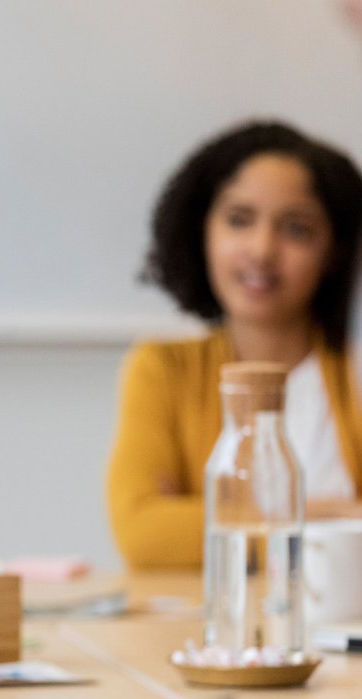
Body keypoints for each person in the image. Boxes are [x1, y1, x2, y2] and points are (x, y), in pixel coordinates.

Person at [108, 120, 362, 569]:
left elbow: (176, 531)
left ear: (334, 251)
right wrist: (319, 514)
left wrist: (214, 522)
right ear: (201, 230)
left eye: (296, 229)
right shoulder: (163, 369)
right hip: (207, 633)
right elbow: (144, 534)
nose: (262, 249)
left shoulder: (355, 371)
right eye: (239, 220)